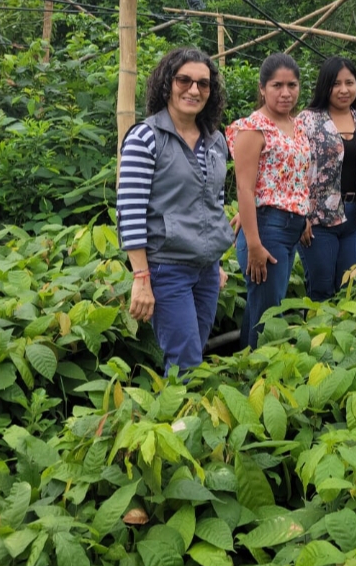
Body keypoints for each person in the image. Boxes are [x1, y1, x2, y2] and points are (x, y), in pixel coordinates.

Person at [117, 47, 234, 373]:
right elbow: (130, 209)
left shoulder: (215, 141)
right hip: (167, 268)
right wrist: (141, 277)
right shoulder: (146, 137)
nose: (194, 90)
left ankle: (178, 405)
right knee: (185, 361)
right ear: (167, 83)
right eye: (184, 80)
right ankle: (174, 407)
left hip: (205, 270)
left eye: (203, 83)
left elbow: (213, 204)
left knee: (193, 355)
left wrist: (215, 261)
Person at [226, 53, 311, 349]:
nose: (286, 93)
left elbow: (294, 177)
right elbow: (245, 188)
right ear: (262, 88)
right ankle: (259, 370)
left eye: (292, 85)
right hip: (266, 229)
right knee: (269, 316)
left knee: (261, 308)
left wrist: (303, 214)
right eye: (277, 85)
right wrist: (253, 244)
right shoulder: (254, 128)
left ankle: (246, 365)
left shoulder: (296, 125)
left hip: (290, 227)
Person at [297, 56, 356, 301]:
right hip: (318, 218)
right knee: (321, 288)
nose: (344, 90)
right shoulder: (307, 120)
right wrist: (301, 216)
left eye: (349, 83)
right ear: (325, 86)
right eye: (336, 84)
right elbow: (297, 170)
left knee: (351, 287)